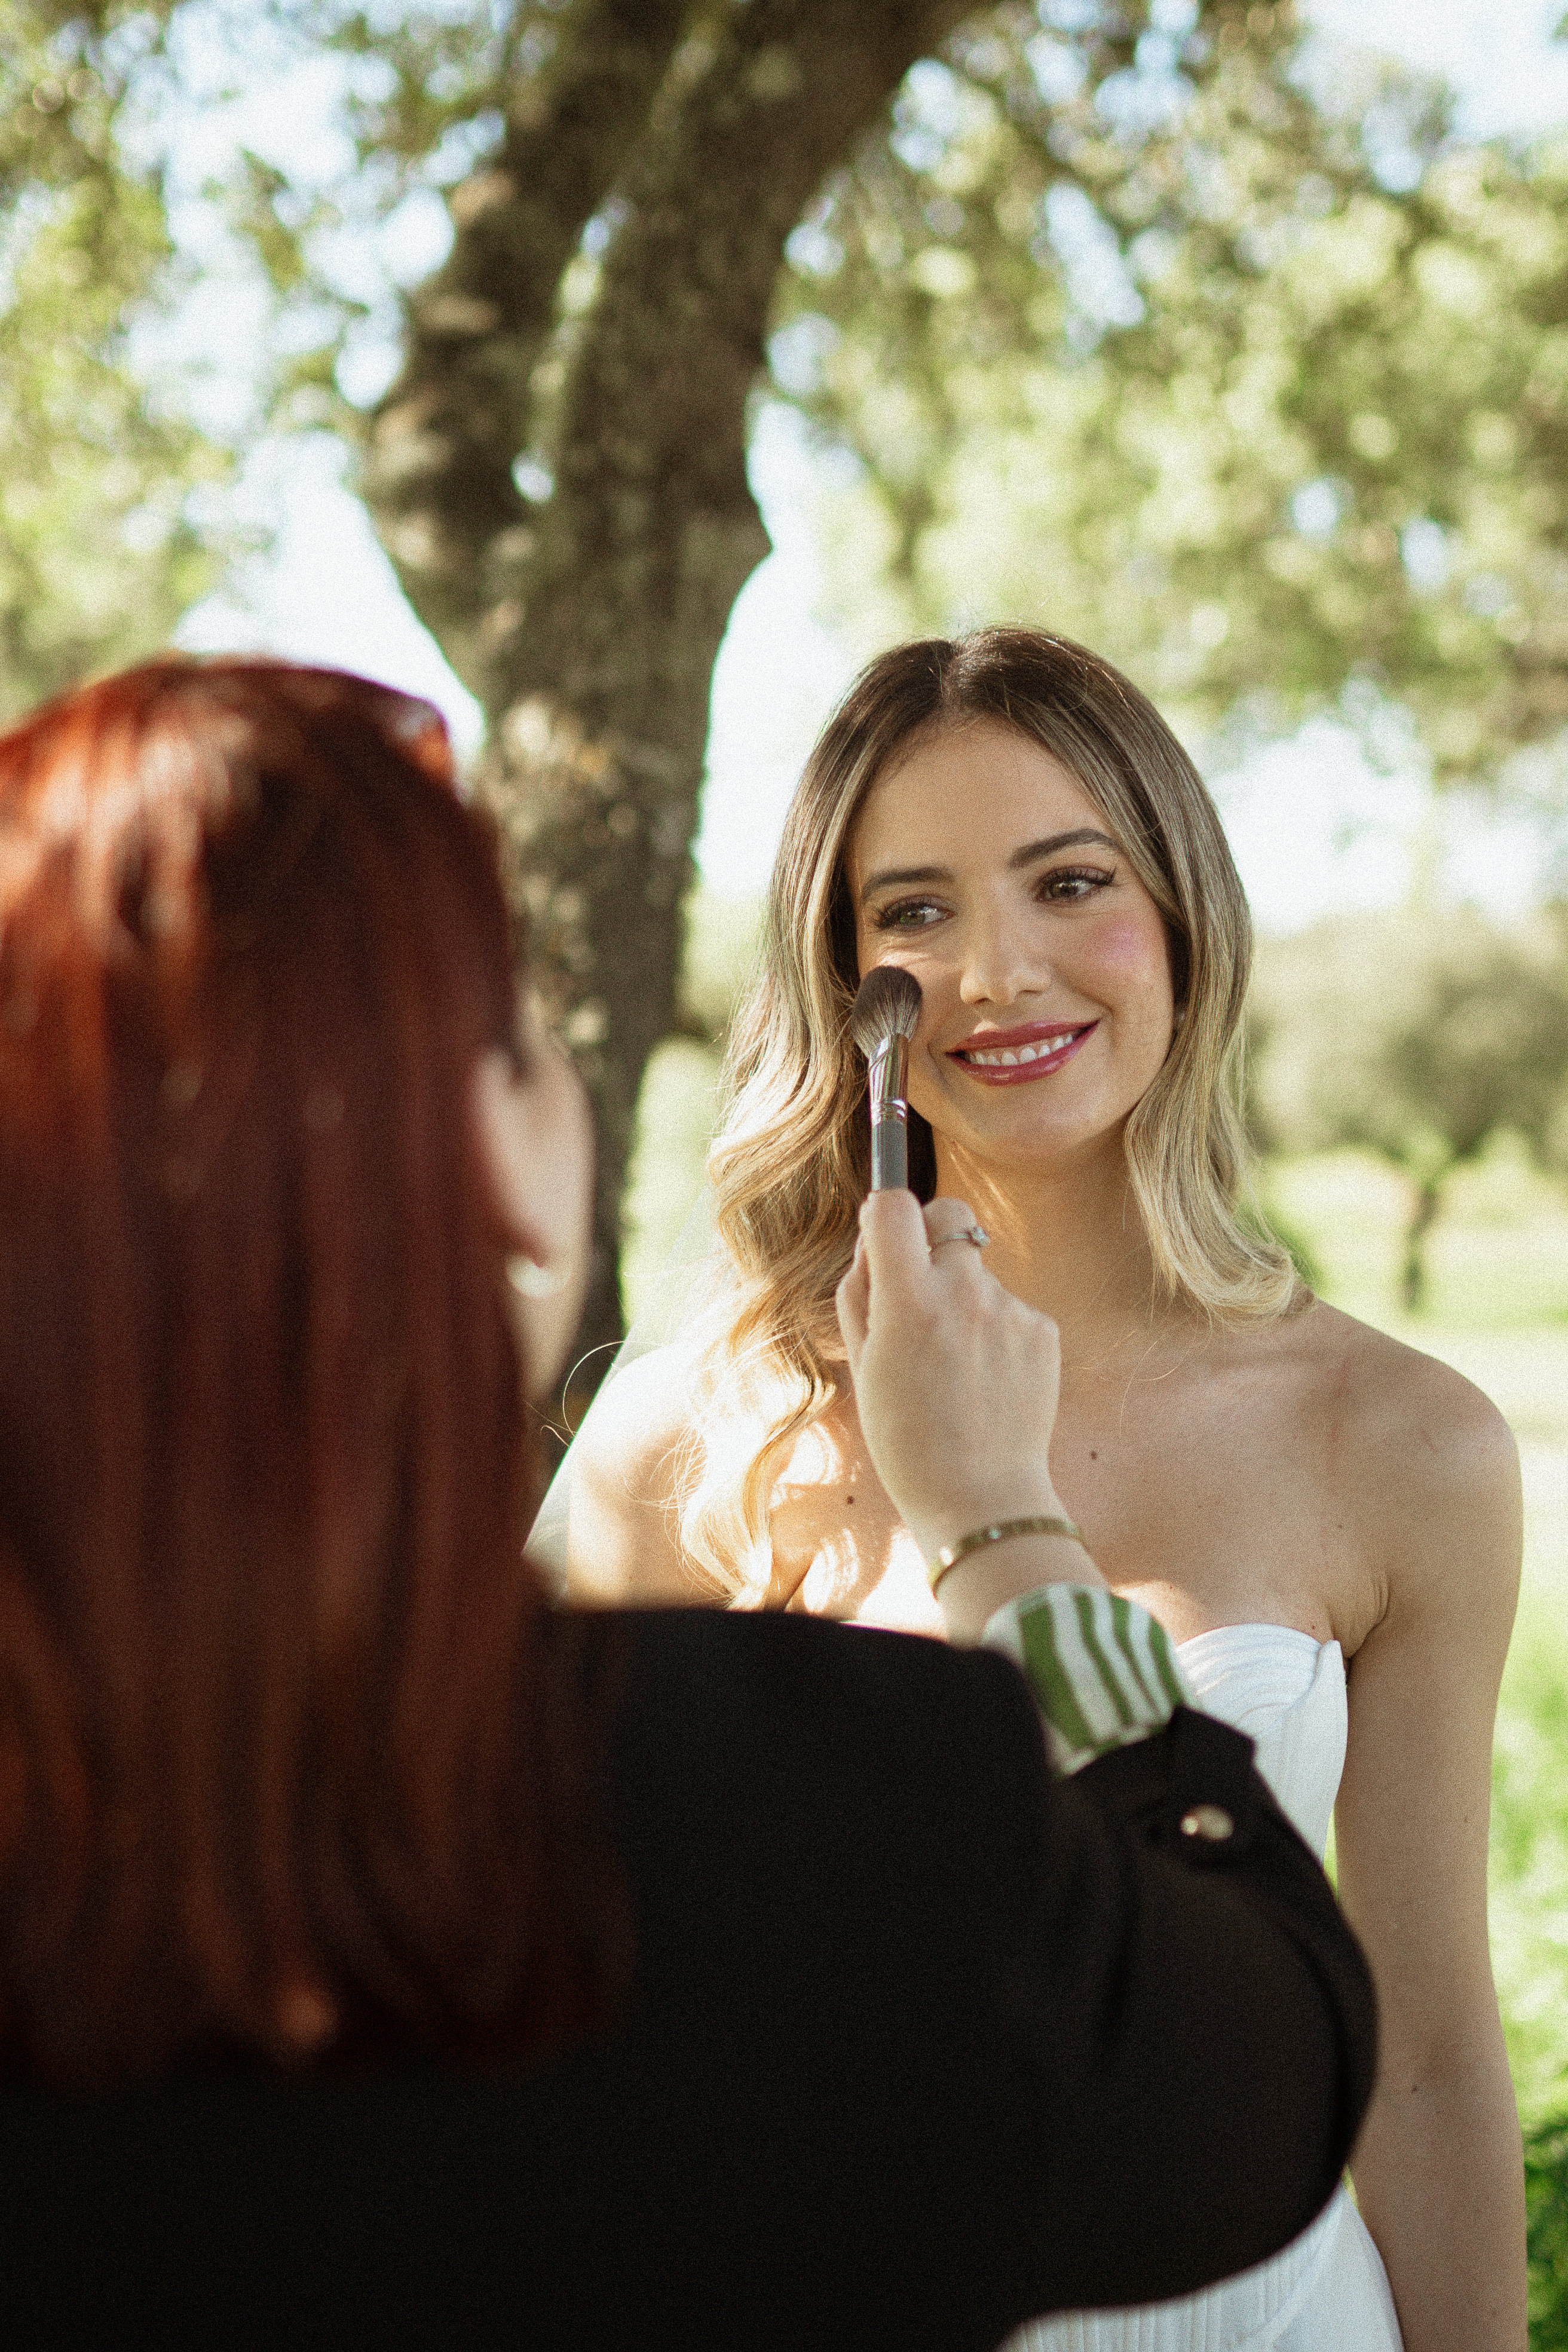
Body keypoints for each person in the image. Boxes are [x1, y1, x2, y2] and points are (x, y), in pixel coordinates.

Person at [0, 656, 1376, 2347]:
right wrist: (1005, 1531)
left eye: (1071, 879)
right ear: (502, 1179)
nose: (995, 968)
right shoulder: (800, 1795)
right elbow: (1269, 2073)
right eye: (524, 1039)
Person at [556, 629, 1526, 2351]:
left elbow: (1429, 2057)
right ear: (843, 980)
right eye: (914, 913)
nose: (995, 972)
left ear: (1185, 914)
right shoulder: (694, 1445)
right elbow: (554, 2030)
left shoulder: (1401, 1441)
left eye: (1070, 882)